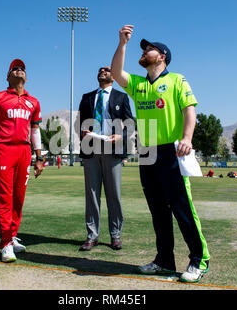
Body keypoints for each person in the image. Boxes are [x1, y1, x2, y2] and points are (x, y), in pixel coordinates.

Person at [111, 25, 210, 283]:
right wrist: (122, 44)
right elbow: (116, 73)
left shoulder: (177, 79)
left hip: (171, 151)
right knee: (158, 211)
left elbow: (189, 109)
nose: (144, 51)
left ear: (162, 56)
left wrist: (187, 138)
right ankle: (165, 261)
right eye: (143, 48)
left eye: (149, 48)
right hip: (146, 152)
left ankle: (199, 260)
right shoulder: (139, 84)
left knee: (181, 207)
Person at [0, 58, 44, 263]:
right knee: (5, 197)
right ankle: (5, 243)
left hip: (24, 151)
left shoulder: (34, 102)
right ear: (7, 76)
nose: (19, 70)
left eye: (22, 68)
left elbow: (35, 130)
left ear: (27, 77)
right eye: (15, 68)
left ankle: (12, 236)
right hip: (4, 150)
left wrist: (39, 158)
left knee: (18, 198)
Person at [77, 66, 133, 251]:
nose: (103, 71)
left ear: (113, 77)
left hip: (113, 150)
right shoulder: (87, 97)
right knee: (92, 195)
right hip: (91, 151)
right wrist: (83, 133)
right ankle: (91, 235)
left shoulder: (121, 97)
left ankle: (115, 235)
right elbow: (79, 123)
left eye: (107, 69)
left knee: (113, 194)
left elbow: (130, 125)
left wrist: (121, 137)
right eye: (100, 69)